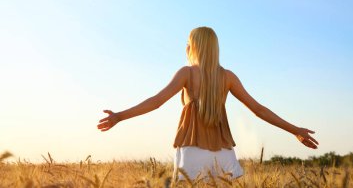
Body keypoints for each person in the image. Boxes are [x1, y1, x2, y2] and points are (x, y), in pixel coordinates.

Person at [97, 26, 319, 183]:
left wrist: (119, 116)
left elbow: (156, 102)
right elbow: (259, 109)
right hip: (223, 153)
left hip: (191, 150)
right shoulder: (228, 77)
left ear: (192, 46)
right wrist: (295, 130)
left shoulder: (186, 73)